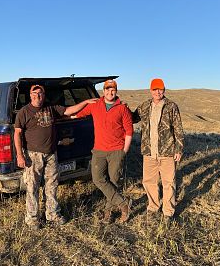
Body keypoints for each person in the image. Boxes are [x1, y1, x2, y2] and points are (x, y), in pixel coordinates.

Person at [14, 84, 97, 230]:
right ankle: (32, 219)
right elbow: (17, 134)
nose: (38, 95)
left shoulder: (51, 108)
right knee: (32, 186)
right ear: (30, 95)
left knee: (52, 185)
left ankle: (52, 214)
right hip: (33, 155)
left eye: (40, 93)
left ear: (44, 95)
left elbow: (69, 111)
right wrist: (20, 155)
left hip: (51, 154)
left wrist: (85, 102)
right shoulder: (24, 112)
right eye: (35, 93)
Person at [75, 79, 133, 224]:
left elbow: (129, 131)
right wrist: (65, 115)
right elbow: (78, 114)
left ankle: (108, 213)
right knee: (98, 178)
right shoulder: (96, 105)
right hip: (99, 150)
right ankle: (123, 204)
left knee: (113, 182)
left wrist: (123, 151)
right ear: (103, 91)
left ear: (116, 91)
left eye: (112, 89)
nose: (110, 92)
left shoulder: (122, 108)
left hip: (116, 151)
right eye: (107, 89)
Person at [132, 78, 184, 225]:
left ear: (164, 90)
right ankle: (153, 208)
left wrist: (178, 149)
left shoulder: (171, 106)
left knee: (169, 183)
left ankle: (168, 212)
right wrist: (120, 107)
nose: (157, 92)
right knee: (149, 182)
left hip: (167, 152)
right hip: (149, 152)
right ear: (150, 90)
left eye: (160, 89)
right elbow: (131, 118)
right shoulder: (144, 106)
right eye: (155, 89)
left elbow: (178, 129)